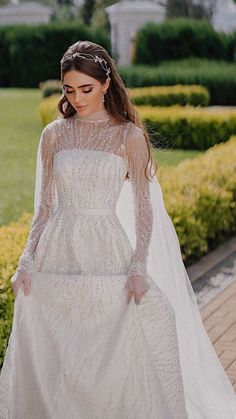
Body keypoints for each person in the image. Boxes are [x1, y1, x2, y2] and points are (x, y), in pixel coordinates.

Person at [0, 40, 235, 419]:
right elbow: (44, 207)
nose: (77, 98)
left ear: (107, 84)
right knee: (62, 346)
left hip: (105, 245)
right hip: (59, 246)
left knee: (108, 345)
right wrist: (26, 259)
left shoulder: (129, 137)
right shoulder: (54, 135)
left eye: (86, 89)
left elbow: (144, 209)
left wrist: (139, 265)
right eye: (69, 90)